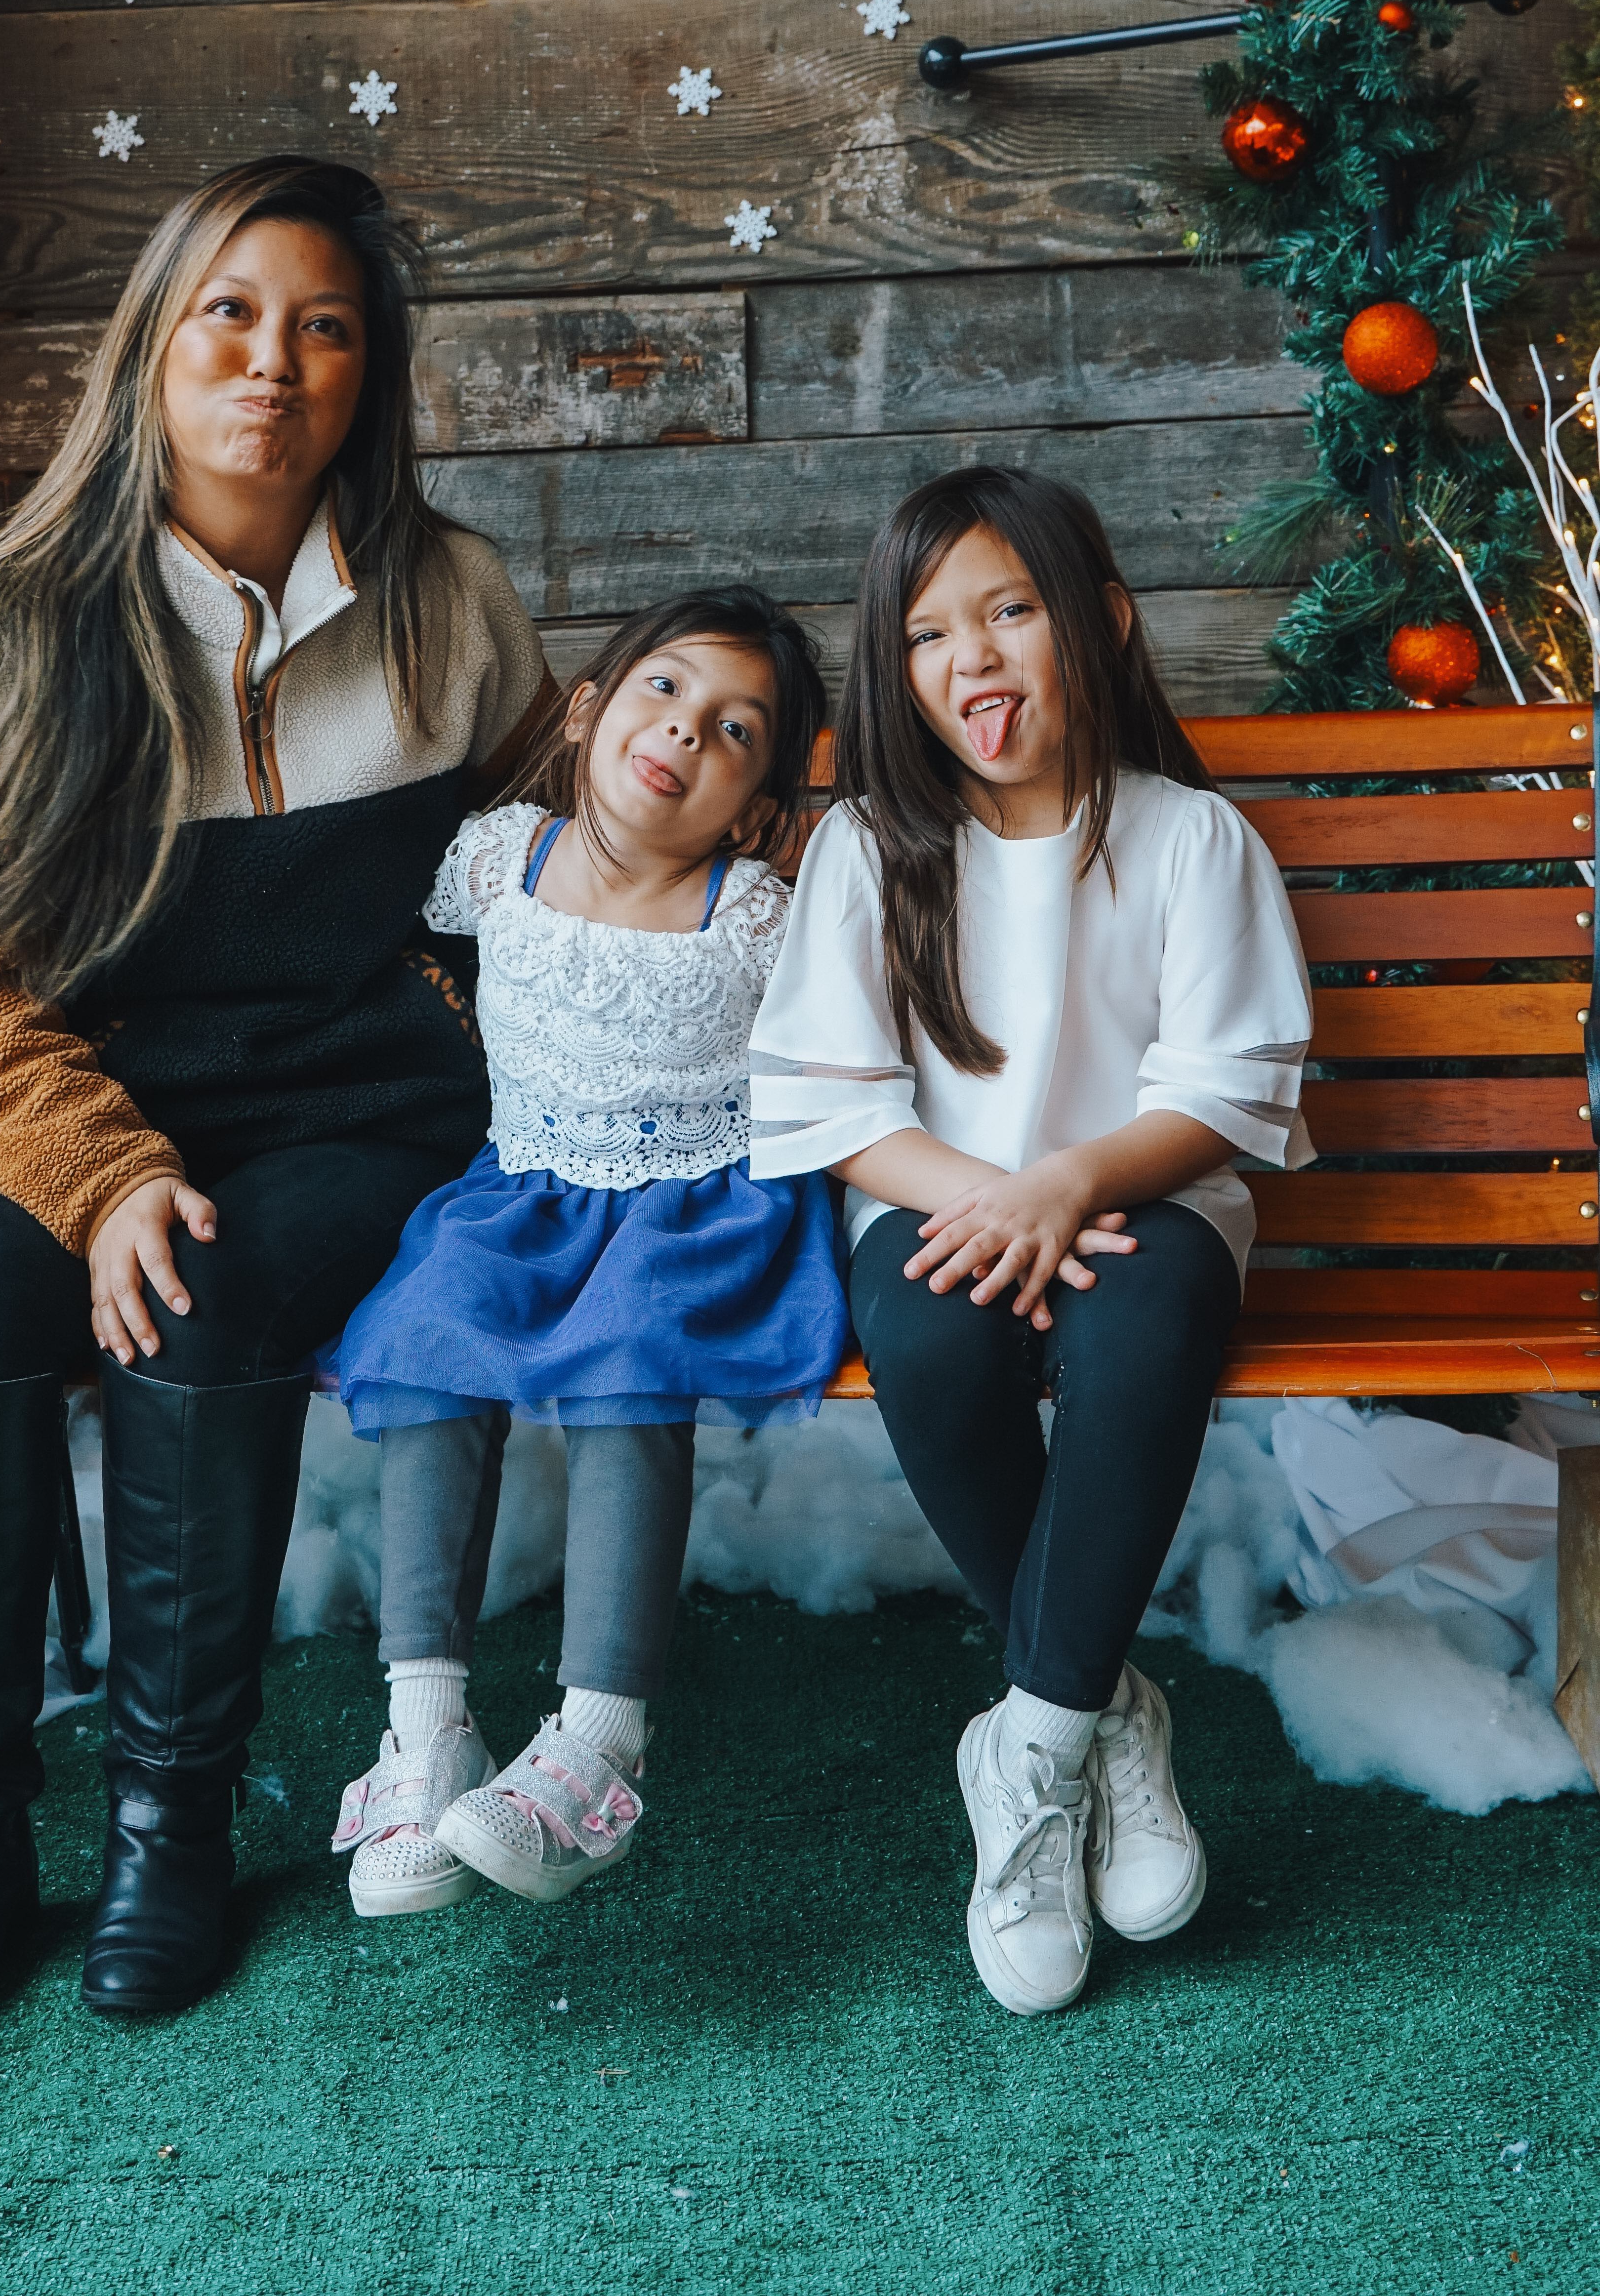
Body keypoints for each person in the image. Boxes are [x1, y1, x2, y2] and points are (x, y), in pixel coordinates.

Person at [0, 157, 552, 2028]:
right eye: (230, 317)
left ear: (369, 372)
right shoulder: (11, 628)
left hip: (356, 1110)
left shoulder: (451, 602)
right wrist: (99, 1179)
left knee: (207, 1301)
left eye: (325, 328)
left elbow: (546, 882)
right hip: (87, 1109)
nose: (274, 363)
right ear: (154, 350)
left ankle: (169, 1825)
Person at [748, 467, 1313, 2018]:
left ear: (1103, 622)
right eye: (930, 633)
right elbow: (831, 1105)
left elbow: (1224, 1089)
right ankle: (1107, 1709)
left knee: (1147, 1318)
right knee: (933, 1333)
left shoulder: (1190, 838)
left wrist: (1068, 1186)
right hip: (934, 1201)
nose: (973, 658)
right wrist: (995, 1200)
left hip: (1147, 1201)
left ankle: (1032, 1748)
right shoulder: (871, 847)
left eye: (1011, 612)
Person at [328, 588, 845, 1913]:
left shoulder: (753, 914)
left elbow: (852, 1042)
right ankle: (425, 1728)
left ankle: (597, 1741)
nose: (685, 733)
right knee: (427, 1333)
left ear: (756, 807)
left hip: (696, 1210)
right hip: (524, 1191)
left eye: (736, 731)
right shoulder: (500, 859)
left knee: (630, 1362)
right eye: (664, 690)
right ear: (586, 711)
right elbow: (367, 923)